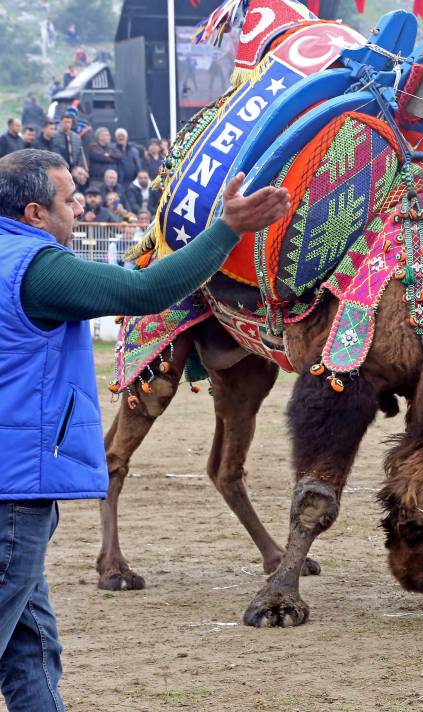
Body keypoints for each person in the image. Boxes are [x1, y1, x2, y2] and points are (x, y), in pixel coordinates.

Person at [0, 149, 289, 710]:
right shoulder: (36, 268)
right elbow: (143, 293)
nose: (80, 207)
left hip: (17, 482)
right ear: (36, 212)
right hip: (16, 488)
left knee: (33, 648)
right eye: (69, 199)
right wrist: (228, 230)